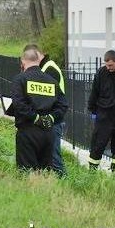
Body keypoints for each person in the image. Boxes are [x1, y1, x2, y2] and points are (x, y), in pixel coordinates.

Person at [6, 48, 68, 171]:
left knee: (27, 171)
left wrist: (35, 118)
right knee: (45, 171)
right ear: (38, 61)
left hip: (27, 131)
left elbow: (19, 105)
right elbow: (63, 105)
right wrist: (50, 117)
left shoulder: (20, 79)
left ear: (23, 62)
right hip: (48, 133)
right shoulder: (51, 81)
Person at [22, 44, 67, 177]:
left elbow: (45, 98)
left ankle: (62, 181)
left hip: (53, 119)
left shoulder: (49, 69)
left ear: (37, 54)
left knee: (53, 156)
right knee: (47, 155)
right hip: (48, 118)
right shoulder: (45, 67)